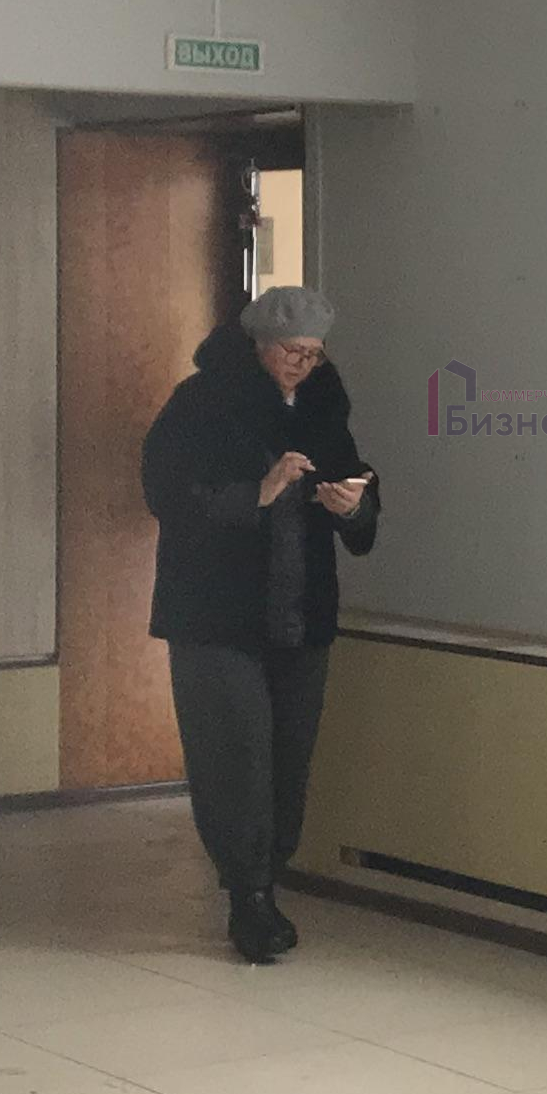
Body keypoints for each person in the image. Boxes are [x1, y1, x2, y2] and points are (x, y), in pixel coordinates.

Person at [141, 285, 380, 964]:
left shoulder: (325, 406)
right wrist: (258, 493)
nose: (304, 365)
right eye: (292, 353)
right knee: (234, 756)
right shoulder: (200, 404)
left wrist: (353, 506)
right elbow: (164, 493)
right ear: (258, 347)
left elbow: (359, 487)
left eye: (314, 354)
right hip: (216, 616)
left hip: (302, 612)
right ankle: (248, 898)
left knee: (288, 759)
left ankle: (266, 881)